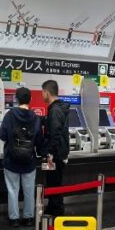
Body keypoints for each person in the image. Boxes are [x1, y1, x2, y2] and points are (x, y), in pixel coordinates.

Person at [0, 87, 44, 227]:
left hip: (11, 160)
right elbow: (38, 140)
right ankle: (29, 218)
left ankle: (14, 219)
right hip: (29, 161)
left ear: (16, 99)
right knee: (29, 190)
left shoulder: (10, 115)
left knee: (13, 190)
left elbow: (2, 135)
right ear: (30, 99)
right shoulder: (35, 117)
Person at [41, 79, 71, 216]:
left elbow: (55, 135)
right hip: (60, 152)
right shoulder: (59, 109)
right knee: (53, 181)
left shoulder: (54, 111)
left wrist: (50, 154)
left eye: (42, 92)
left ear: (47, 92)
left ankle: (57, 210)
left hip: (56, 154)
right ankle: (53, 206)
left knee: (55, 182)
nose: (42, 95)